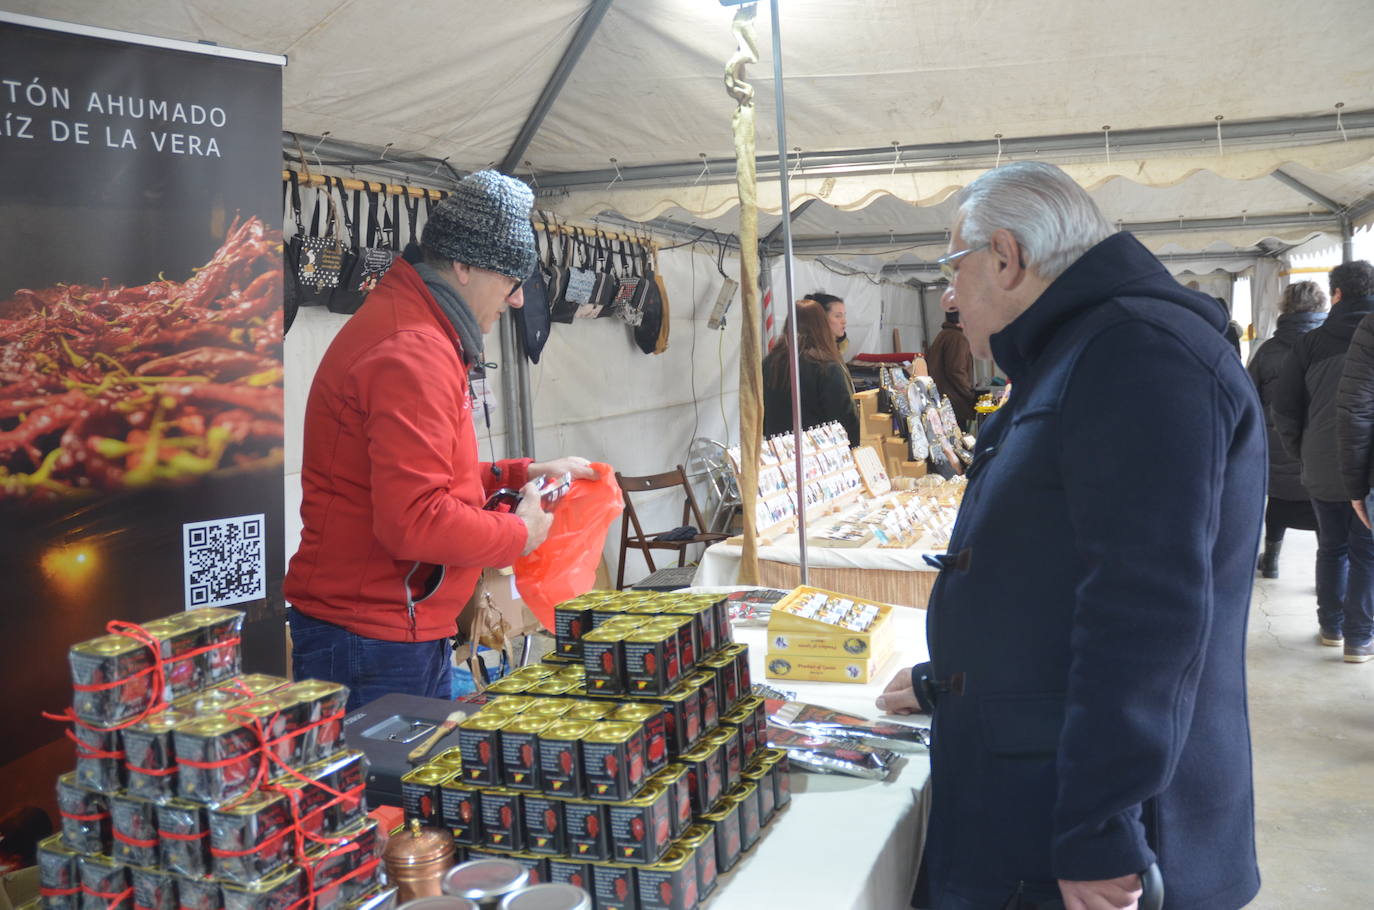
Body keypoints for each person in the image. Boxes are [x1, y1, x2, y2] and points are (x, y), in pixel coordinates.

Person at [876, 161, 1263, 909]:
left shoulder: (1138, 357)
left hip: (1091, 815)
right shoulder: (1084, 352)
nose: (949, 298)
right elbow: (1046, 572)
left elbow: (1144, 613)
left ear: (1007, 257)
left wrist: (1099, 824)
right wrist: (952, 687)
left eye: (954, 269)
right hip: (1031, 764)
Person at [284, 170, 596, 710]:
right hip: (372, 635)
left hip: (383, 625)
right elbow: (414, 519)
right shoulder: (414, 348)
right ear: (464, 266)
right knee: (384, 794)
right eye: (510, 279)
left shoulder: (421, 330)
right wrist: (517, 534)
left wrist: (517, 475)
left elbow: (418, 476)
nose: (519, 300)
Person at [1273, 260, 1374, 661]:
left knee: (1331, 547)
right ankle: (1360, 638)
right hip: (1368, 467)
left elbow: (1284, 411)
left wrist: (1303, 453)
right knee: (1367, 551)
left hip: (1322, 462)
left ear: (1336, 294)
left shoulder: (1309, 344)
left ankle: (1331, 627)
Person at [1247, 281, 1327, 577]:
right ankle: (1326, 572)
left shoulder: (1268, 350)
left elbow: (1248, 396)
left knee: (1279, 501)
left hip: (1278, 440)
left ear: (1284, 307)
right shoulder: (1332, 347)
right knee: (1323, 506)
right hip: (1321, 445)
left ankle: (1271, 561)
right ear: (1321, 305)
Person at [762, 299, 859, 446]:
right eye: (838, 316)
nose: (843, 321)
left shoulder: (770, 362)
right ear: (822, 325)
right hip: (817, 454)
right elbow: (842, 418)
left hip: (778, 452)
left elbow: (762, 411)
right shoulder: (825, 366)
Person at [925, 309, 977, 429]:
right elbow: (956, 371)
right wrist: (969, 393)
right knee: (958, 443)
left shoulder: (943, 335)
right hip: (954, 404)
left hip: (943, 401)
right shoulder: (957, 338)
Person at [807, 291, 849, 355]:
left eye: (844, 315)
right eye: (838, 316)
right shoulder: (813, 354)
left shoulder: (840, 346)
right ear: (821, 318)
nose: (844, 321)